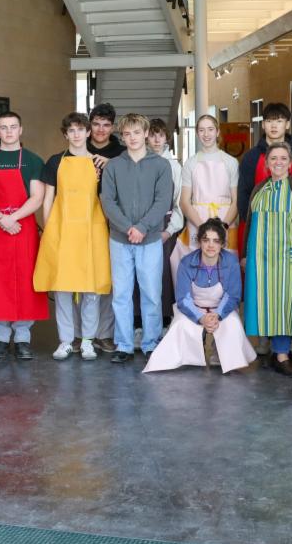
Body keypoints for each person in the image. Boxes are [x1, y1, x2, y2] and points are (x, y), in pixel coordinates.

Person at [34, 112, 111, 361]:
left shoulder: (99, 163)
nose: (76, 134)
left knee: (91, 288)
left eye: (80, 130)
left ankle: (88, 340)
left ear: (88, 133)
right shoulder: (55, 162)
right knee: (63, 288)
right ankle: (66, 341)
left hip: (92, 229)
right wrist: (49, 229)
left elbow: (105, 199)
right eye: (71, 130)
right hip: (63, 229)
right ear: (65, 134)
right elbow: (48, 199)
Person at [99, 113, 174, 364]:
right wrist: (127, 227)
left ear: (146, 134)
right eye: (127, 134)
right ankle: (124, 344)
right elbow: (107, 202)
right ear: (122, 137)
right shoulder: (113, 166)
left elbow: (162, 201)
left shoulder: (161, 166)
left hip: (150, 239)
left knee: (151, 293)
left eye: (136, 132)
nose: (132, 138)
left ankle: (151, 343)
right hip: (119, 240)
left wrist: (141, 227)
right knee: (121, 294)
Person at [0, 111, 48, 359]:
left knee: (25, 280)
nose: (8, 132)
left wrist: (13, 218)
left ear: (20, 129)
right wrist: (1, 219)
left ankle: (23, 337)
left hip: (23, 227)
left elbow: (37, 197)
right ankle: (1, 337)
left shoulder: (33, 161)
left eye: (13, 127)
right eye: (3, 127)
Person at [242, 143, 292, 377]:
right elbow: (249, 223)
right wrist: (245, 254)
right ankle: (271, 349)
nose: (278, 162)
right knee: (263, 302)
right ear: (266, 163)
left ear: (290, 163)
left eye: (283, 158)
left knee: (286, 304)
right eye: (273, 158)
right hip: (260, 259)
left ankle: (282, 354)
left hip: (288, 258)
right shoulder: (259, 189)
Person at [145, 219, 255, 374]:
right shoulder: (186, 262)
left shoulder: (231, 262)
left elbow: (233, 296)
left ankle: (220, 354)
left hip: (221, 310)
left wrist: (217, 315)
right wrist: (201, 318)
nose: (211, 245)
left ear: (222, 244)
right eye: (206, 240)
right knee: (181, 325)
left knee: (233, 324)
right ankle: (192, 357)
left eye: (216, 241)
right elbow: (183, 299)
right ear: (199, 242)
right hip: (193, 310)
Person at [236, 102, 292, 252]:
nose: (274, 126)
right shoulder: (251, 157)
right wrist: (251, 223)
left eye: (279, 121)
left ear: (287, 124)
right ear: (263, 125)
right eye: (269, 121)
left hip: (290, 229)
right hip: (258, 227)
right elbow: (244, 194)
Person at [172, 115, 239, 285]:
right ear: (197, 133)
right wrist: (202, 227)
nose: (206, 134)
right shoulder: (190, 163)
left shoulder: (231, 162)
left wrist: (223, 226)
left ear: (217, 132)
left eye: (210, 129)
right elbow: (184, 201)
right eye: (201, 130)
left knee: (226, 265)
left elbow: (236, 201)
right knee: (195, 264)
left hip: (225, 219)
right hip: (197, 220)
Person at [87, 102, 123, 352]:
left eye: (106, 125)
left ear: (113, 127)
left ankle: (105, 333)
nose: (101, 129)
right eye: (96, 124)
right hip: (83, 219)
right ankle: (82, 334)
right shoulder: (79, 148)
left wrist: (110, 164)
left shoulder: (121, 152)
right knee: (84, 276)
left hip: (113, 219)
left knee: (109, 277)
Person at [147, 118, 184, 318]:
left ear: (166, 138)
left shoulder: (174, 166)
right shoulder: (139, 162)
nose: (156, 140)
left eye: (160, 135)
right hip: (142, 228)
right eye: (152, 135)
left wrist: (169, 231)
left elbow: (179, 202)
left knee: (164, 275)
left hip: (165, 228)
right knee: (142, 276)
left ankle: (164, 319)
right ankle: (140, 322)